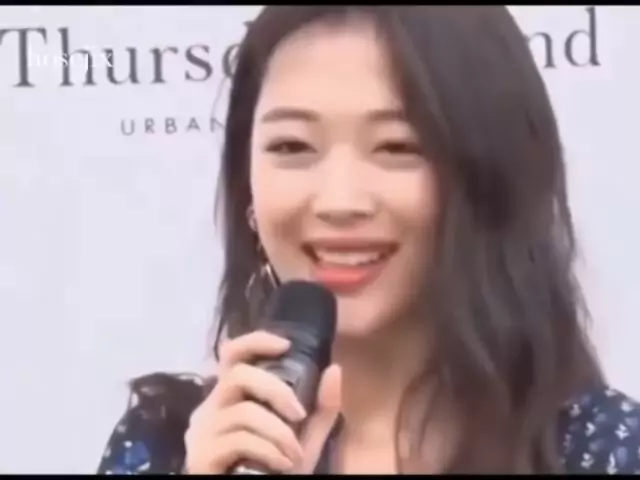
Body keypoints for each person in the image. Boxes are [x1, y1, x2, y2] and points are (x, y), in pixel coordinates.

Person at [97, 6, 640, 475]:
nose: (339, 201)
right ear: (248, 192)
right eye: (292, 146)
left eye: (397, 147)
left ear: (489, 180)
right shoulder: (167, 445)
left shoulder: (601, 451)